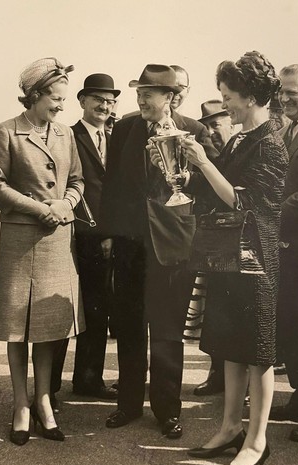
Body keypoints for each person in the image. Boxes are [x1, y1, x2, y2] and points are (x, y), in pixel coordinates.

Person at [176, 51, 288, 465]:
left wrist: (203, 161)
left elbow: (244, 203)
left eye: (229, 97)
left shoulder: (271, 144)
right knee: (231, 346)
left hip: (257, 258)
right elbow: (214, 189)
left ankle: (257, 442)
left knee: (257, 352)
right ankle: (229, 427)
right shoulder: (243, 138)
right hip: (230, 258)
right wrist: (186, 173)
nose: (225, 106)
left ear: (252, 96)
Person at [100, 64, 216, 439]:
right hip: (131, 243)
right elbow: (112, 184)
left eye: (149, 93)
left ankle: (167, 410)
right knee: (131, 327)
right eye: (139, 92)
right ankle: (128, 405)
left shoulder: (194, 131)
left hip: (174, 245)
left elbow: (212, 181)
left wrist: (187, 176)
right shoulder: (125, 127)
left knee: (168, 332)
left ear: (170, 97)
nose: (141, 99)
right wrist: (108, 233)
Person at [0, 57, 85, 446]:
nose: (61, 106)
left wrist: (67, 204)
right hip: (21, 239)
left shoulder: (64, 133)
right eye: (55, 99)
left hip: (59, 238)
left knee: (47, 326)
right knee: (17, 325)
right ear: (35, 95)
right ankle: (21, 404)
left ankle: (44, 400)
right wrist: (43, 208)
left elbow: (76, 180)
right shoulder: (5, 132)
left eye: (63, 100)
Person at [269, 64, 298, 443]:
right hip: (289, 246)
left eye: (291, 91)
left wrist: (274, 213)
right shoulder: (287, 129)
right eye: (281, 92)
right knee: (293, 327)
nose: (284, 98)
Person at [69, 73, 121, 400]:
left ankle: (90, 378)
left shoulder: (116, 138)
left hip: (110, 236)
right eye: (98, 99)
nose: (104, 106)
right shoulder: (68, 136)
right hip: (78, 234)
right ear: (82, 101)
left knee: (100, 306)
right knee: (80, 309)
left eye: (110, 101)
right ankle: (69, 382)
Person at [191, 99, 235, 397]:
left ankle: (237, 381)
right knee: (215, 312)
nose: (211, 132)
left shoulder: (242, 151)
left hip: (239, 243)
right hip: (212, 241)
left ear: (232, 122)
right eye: (206, 126)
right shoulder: (208, 155)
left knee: (237, 312)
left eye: (217, 124)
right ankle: (217, 374)